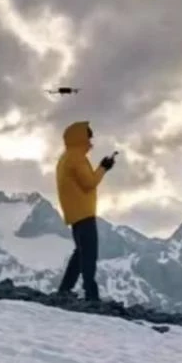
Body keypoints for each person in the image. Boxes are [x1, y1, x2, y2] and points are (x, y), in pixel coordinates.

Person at [56, 120, 116, 302]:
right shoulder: (77, 158)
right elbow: (89, 182)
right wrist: (104, 168)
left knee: (80, 253)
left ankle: (65, 289)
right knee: (89, 254)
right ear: (80, 138)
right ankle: (91, 295)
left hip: (75, 214)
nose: (90, 140)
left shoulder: (65, 157)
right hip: (84, 212)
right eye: (88, 136)